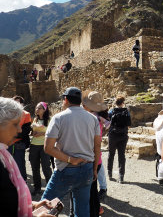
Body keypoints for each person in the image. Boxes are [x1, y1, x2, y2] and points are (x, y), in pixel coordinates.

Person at [42, 87, 101, 217]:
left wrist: (71, 160)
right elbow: (97, 146)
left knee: (43, 207)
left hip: (66, 169)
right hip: (87, 168)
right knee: (82, 210)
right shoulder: (93, 119)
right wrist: (95, 169)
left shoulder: (58, 118)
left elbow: (48, 148)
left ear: (66, 99)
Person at [82, 90, 108, 217]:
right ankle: (97, 209)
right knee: (92, 189)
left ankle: (94, 210)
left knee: (89, 191)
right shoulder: (100, 118)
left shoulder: (91, 119)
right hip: (97, 158)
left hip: (90, 158)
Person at [30, 102, 53, 196]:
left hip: (45, 146)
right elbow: (31, 132)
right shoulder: (34, 119)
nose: (37, 110)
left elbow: (53, 133)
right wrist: (33, 133)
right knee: (34, 168)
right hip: (34, 145)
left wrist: (43, 134)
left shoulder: (50, 120)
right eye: (36, 108)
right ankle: (37, 188)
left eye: (39, 108)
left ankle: (50, 188)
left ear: (44, 109)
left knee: (46, 168)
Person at [107, 95, 131, 185]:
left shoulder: (111, 111)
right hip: (123, 135)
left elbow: (108, 121)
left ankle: (109, 173)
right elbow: (129, 124)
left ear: (115, 103)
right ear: (122, 103)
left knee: (111, 154)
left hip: (113, 135)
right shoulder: (126, 111)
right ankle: (121, 176)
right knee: (121, 155)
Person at [8, 96, 32, 181]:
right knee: (8, 163)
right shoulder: (8, 114)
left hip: (19, 143)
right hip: (8, 143)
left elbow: (26, 130)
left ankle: (23, 181)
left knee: (20, 163)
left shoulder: (26, 114)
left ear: (22, 104)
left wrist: (13, 135)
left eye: (18, 102)